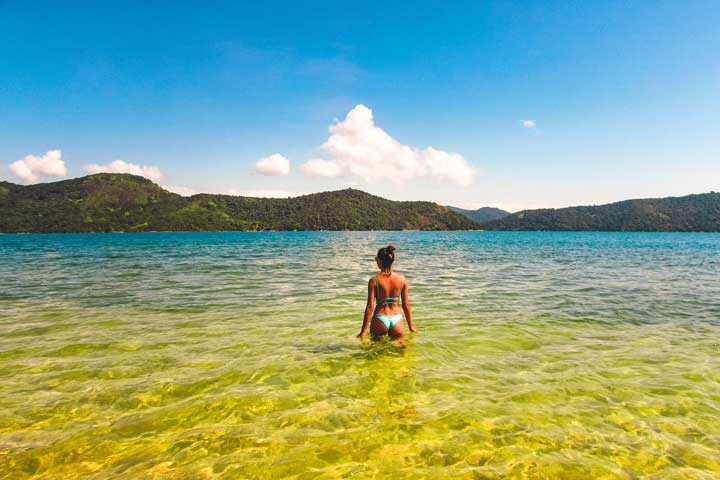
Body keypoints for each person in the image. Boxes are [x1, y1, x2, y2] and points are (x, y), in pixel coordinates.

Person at [357, 244, 416, 340]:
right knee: (401, 352)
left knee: (375, 352)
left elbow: (370, 307)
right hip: (397, 318)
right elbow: (406, 305)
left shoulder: (374, 280)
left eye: (376, 259)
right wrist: (411, 326)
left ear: (379, 261)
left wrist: (362, 332)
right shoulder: (402, 279)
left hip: (380, 318)